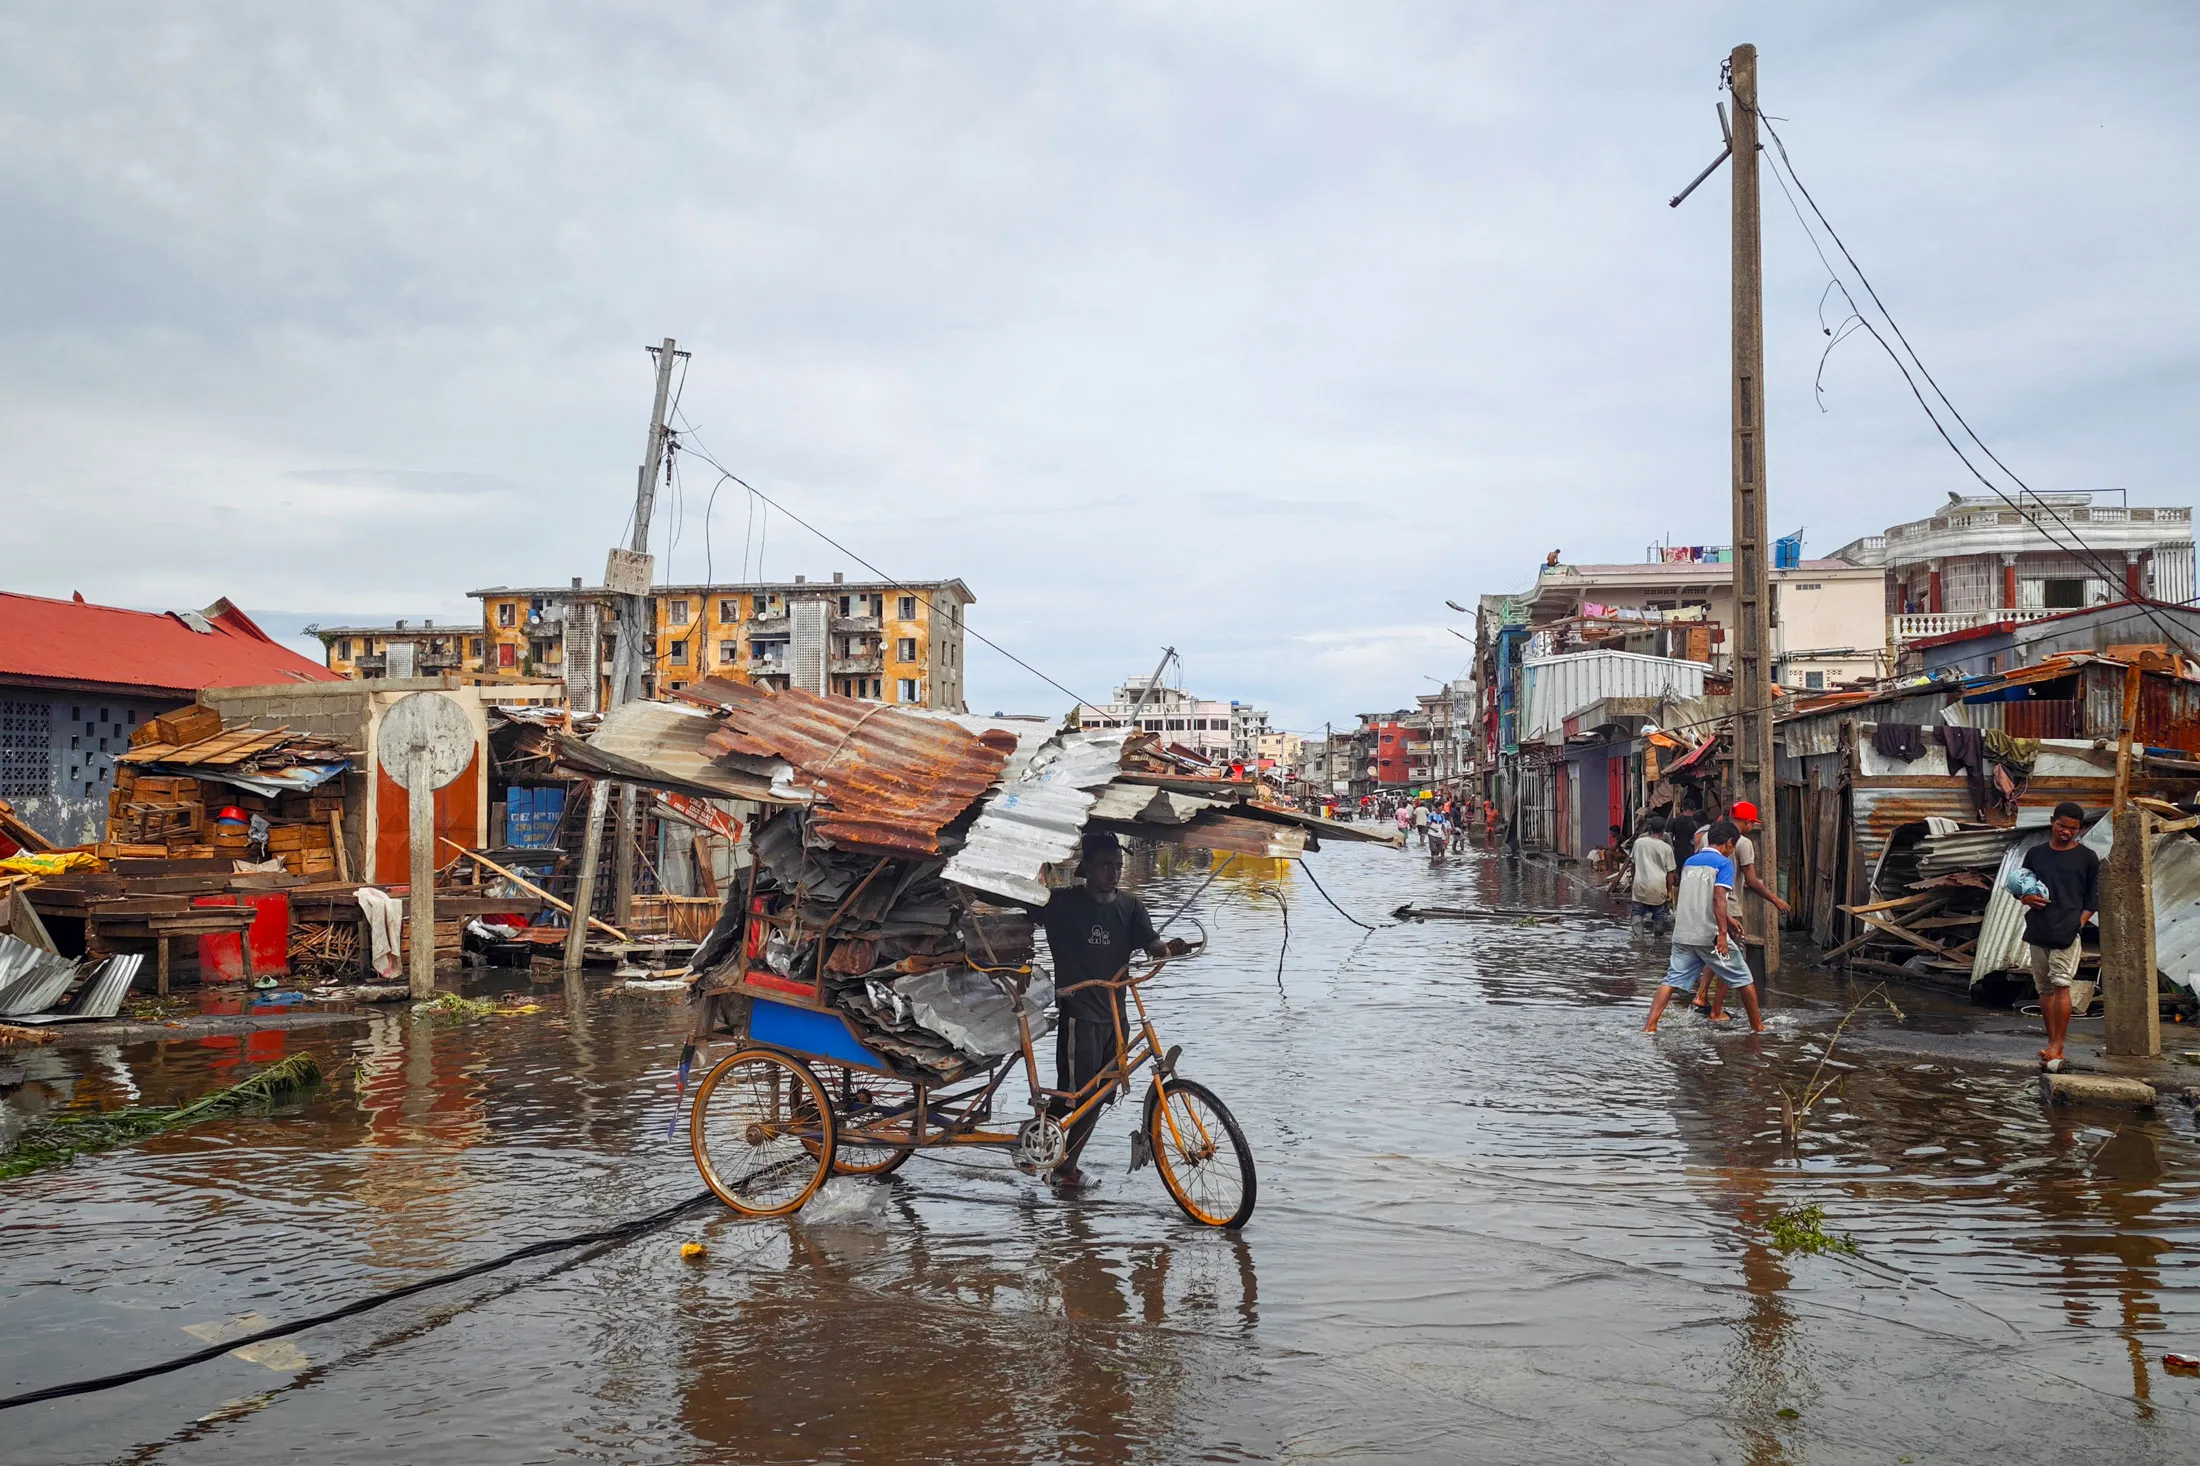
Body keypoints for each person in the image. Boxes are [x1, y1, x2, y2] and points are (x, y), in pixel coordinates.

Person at [1034, 832, 1192, 1191]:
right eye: (1106, 865)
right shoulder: (1061, 904)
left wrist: (1167, 949)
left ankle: (1066, 1166)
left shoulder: (1130, 907)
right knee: (1074, 1094)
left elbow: (1150, 943)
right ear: (1086, 868)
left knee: (1102, 1094)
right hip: (1079, 1013)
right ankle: (1042, 1141)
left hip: (1116, 1017)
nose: (1114, 872)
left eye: (1118, 866)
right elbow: (1021, 904)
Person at [1643, 819, 1764, 1033]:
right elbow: (1718, 897)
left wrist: (1727, 918)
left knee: (1670, 980)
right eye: (1732, 847)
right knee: (1744, 979)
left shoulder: (1691, 861)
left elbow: (1700, 897)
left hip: (1683, 933)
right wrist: (1722, 934)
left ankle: (1650, 1026)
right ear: (1728, 843)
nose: (1731, 851)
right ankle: (1758, 1028)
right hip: (1709, 934)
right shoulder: (1725, 863)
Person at [2018, 802, 2099, 1068]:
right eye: (2062, 825)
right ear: (2052, 821)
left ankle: (2058, 1046)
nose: (2066, 832)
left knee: (2061, 983)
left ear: (2080, 829)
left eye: (2073, 829)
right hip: (2038, 928)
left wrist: (2078, 923)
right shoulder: (2036, 854)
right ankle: (2051, 1042)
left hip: (2066, 931)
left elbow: (2091, 900)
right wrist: (2025, 897)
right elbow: (2021, 885)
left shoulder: (2087, 858)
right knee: (2043, 988)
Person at [1629, 814, 1677, 934]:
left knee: (1637, 912)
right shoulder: (1666, 848)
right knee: (1659, 914)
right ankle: (1658, 943)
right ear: (1663, 831)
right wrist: (1669, 891)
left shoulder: (1639, 843)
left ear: (1649, 828)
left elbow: (1633, 865)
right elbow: (1671, 874)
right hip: (1658, 886)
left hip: (1640, 884)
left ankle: (1638, 941)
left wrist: (1633, 881)